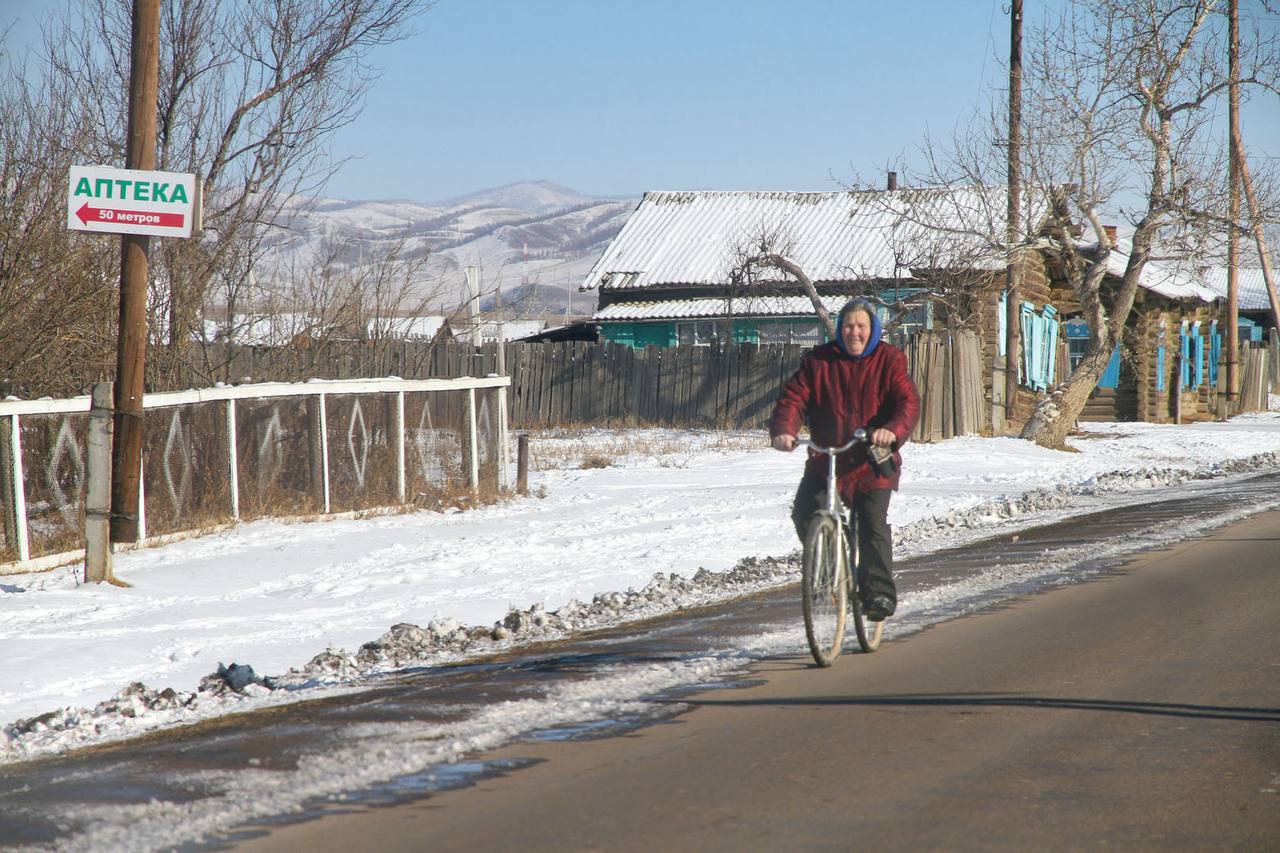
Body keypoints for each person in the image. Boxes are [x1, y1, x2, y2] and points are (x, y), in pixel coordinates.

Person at [769, 298, 921, 621]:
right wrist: (785, 429)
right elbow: (793, 398)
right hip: (828, 460)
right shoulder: (819, 362)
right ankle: (826, 576)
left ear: (873, 329)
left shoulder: (890, 360)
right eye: (848, 326)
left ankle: (878, 593)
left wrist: (891, 431)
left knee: (870, 523)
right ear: (840, 329)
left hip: (872, 460)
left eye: (861, 326)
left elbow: (906, 402)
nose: (854, 332)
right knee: (805, 512)